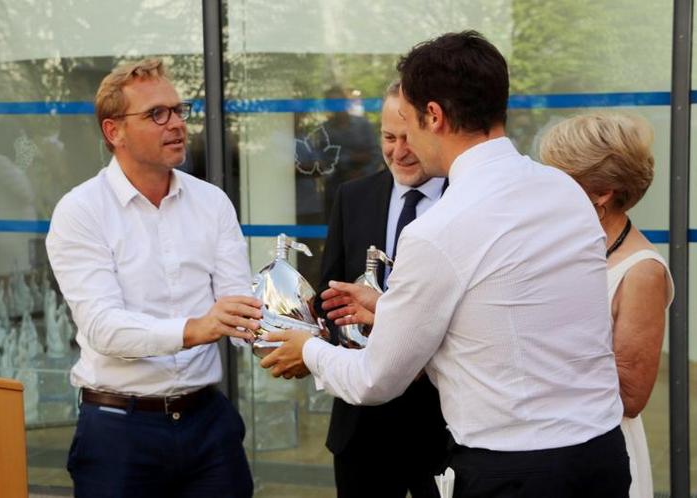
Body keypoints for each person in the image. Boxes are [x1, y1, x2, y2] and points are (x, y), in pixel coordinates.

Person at [260, 31, 630, 497]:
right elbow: (509, 321)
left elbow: (375, 379)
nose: (404, 142)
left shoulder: (439, 229)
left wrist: (306, 349)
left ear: (433, 116)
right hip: (602, 457)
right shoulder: (564, 191)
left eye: (410, 122)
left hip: (512, 472)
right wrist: (390, 310)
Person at [45, 58, 261, 498]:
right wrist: (196, 329)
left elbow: (238, 309)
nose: (177, 123)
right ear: (114, 131)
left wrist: (295, 330)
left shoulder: (212, 202)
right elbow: (103, 327)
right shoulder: (81, 211)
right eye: (156, 114)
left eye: (179, 110)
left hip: (208, 424)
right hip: (119, 431)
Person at [317, 80, 449, 498]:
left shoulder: (466, 201)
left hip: (444, 425)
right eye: (388, 138)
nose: (398, 151)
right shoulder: (352, 196)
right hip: (362, 428)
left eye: (408, 138)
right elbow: (329, 294)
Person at [539, 112, 674, 498]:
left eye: (560, 177)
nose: (547, 188)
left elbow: (631, 395)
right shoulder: (571, 242)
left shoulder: (641, 270)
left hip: (602, 454)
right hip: (553, 447)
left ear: (603, 193)